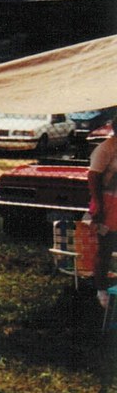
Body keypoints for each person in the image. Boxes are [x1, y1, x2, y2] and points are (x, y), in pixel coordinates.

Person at [88, 123, 117, 307]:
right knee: (105, 246)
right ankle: (101, 290)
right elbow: (93, 176)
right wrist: (98, 204)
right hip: (108, 202)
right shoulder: (106, 148)